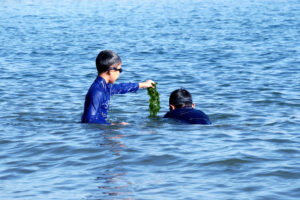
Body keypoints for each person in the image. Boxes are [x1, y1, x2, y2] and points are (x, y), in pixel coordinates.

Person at [81, 50, 154, 125]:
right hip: (97, 132)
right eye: (120, 70)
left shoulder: (104, 86)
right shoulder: (97, 91)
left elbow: (120, 87)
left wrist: (142, 85)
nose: (119, 73)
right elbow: (90, 121)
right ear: (111, 70)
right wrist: (114, 125)